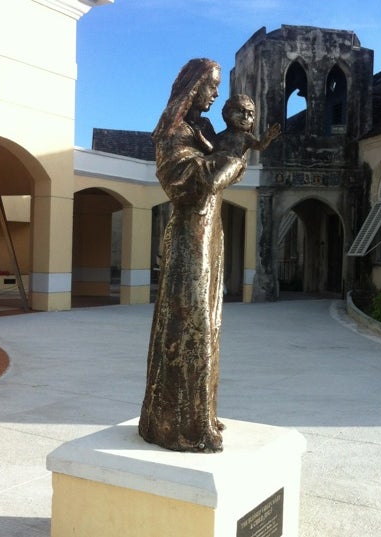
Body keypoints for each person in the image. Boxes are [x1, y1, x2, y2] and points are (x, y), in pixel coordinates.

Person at [138, 59, 246, 453]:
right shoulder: (173, 132)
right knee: (190, 323)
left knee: (209, 323)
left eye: (217, 87)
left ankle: (200, 413)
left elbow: (217, 166)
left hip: (209, 233)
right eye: (211, 86)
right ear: (193, 86)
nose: (216, 94)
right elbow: (186, 184)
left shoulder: (203, 129)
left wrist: (231, 152)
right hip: (189, 237)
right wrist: (232, 162)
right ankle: (179, 424)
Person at [215, 94, 280, 157]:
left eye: (250, 114)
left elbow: (260, 146)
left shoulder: (246, 137)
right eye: (240, 111)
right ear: (226, 113)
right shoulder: (219, 136)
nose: (245, 117)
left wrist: (268, 138)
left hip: (236, 162)